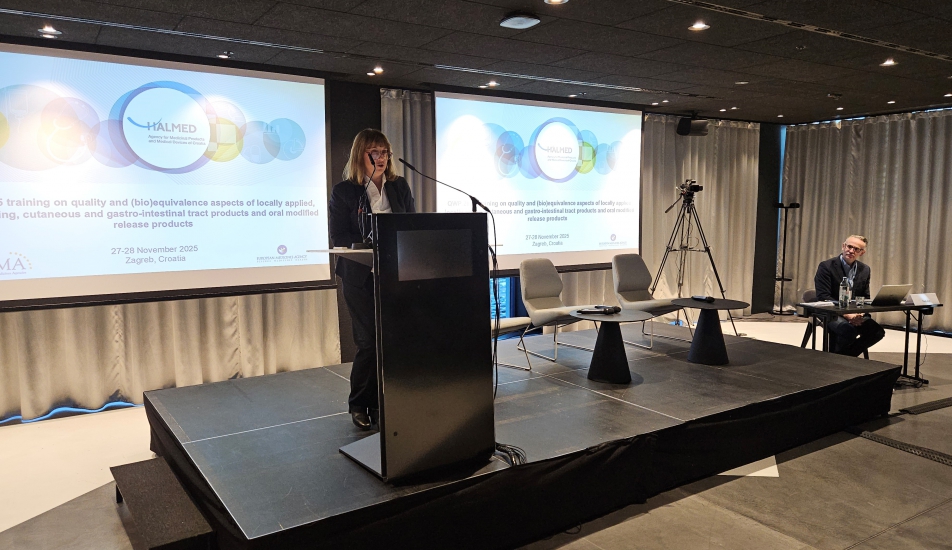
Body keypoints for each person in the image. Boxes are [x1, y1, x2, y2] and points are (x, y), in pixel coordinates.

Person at [329, 129, 415, 430]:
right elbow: (339, 236)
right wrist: (366, 246)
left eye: (384, 151)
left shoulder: (399, 186)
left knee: (390, 341)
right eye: (374, 152)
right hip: (359, 275)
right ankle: (358, 404)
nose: (381, 158)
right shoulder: (344, 191)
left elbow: (411, 225)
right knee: (368, 341)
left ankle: (381, 402)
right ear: (361, 155)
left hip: (394, 275)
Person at [814, 235, 885, 356]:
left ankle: (843, 357)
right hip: (830, 311)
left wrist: (859, 314)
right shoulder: (826, 266)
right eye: (849, 247)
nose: (851, 251)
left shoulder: (865, 269)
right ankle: (840, 359)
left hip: (855, 312)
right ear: (843, 246)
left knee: (877, 332)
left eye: (856, 249)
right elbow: (823, 296)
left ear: (862, 252)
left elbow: (864, 296)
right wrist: (847, 315)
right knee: (847, 330)